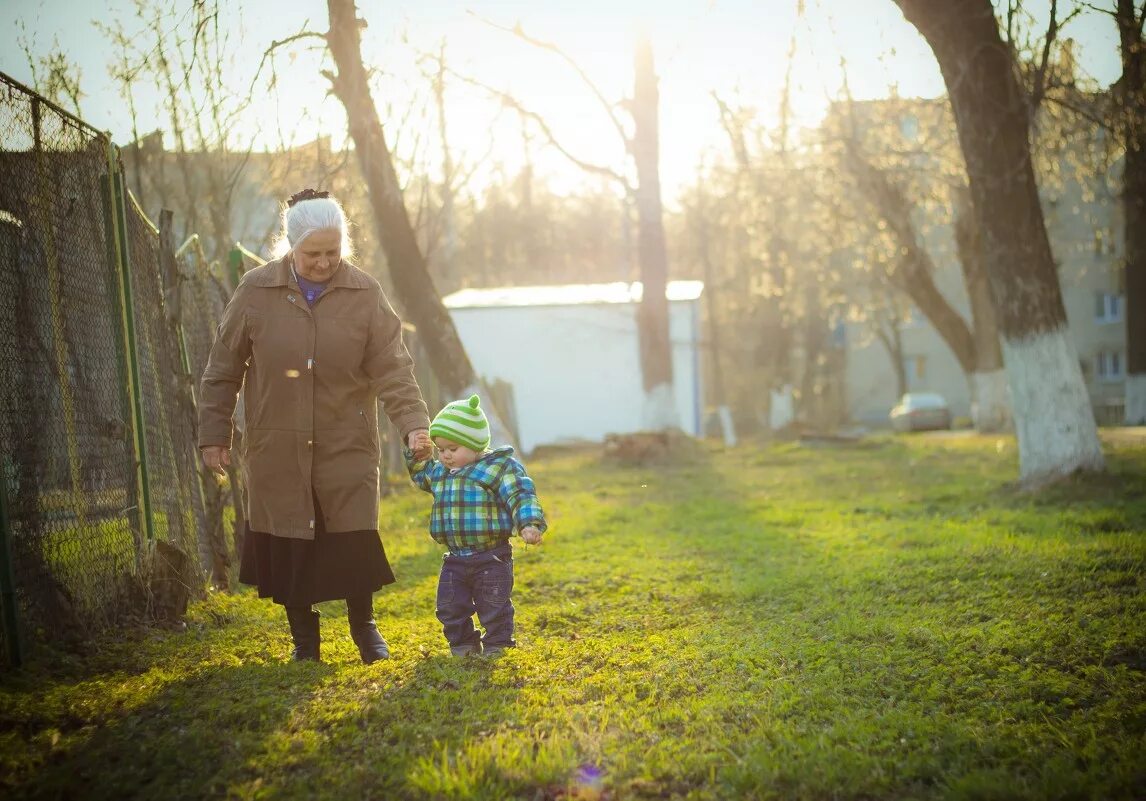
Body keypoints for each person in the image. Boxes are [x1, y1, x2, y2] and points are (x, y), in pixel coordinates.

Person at [198, 188, 431, 664]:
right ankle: (305, 642)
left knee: (352, 535)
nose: (325, 262)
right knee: (289, 541)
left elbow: (393, 367)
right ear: (291, 246)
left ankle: (364, 629)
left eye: (333, 252)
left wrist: (413, 424)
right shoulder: (256, 291)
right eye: (313, 253)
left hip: (346, 440)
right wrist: (214, 434)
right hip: (276, 444)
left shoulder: (365, 293)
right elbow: (223, 367)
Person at [405, 395, 547, 656]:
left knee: (493, 604)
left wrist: (529, 523)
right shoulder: (441, 473)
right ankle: (463, 644)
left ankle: (497, 643)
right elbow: (422, 474)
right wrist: (418, 455)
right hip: (455, 558)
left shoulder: (497, 468)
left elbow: (520, 494)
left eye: (453, 449)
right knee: (449, 605)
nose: (446, 456)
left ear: (475, 444)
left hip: (491, 556)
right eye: (441, 449)